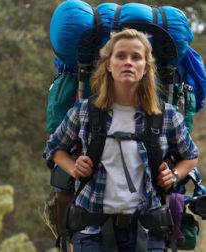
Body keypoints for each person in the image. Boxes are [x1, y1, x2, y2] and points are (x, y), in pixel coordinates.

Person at [43, 29, 199, 252]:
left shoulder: (167, 116)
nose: (128, 62)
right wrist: (74, 168)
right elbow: (53, 148)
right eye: (121, 56)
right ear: (108, 64)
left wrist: (173, 175)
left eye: (136, 57)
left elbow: (190, 156)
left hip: (148, 232)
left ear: (146, 68)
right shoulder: (84, 111)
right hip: (91, 233)